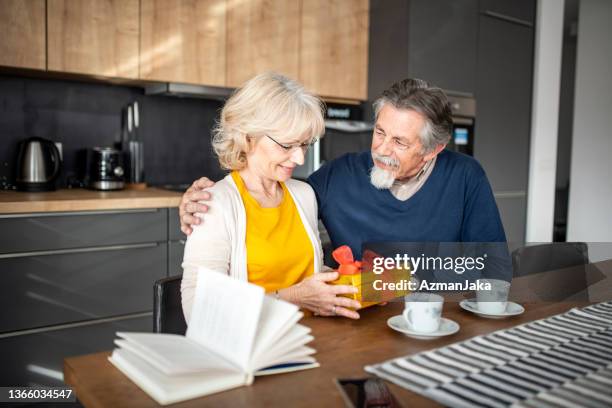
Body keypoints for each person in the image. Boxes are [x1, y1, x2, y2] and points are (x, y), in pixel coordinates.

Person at [180, 78, 511, 291]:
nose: (381, 149)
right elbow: (272, 204)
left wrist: (411, 284)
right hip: (358, 327)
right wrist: (197, 205)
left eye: (400, 142)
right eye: (379, 133)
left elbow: (494, 269)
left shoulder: (465, 176)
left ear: (432, 150)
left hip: (436, 325)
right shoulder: (333, 179)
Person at [180, 72, 361, 323]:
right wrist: (293, 297)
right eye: (287, 145)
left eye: (304, 144)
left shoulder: (303, 194)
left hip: (312, 339)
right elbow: (199, 310)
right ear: (248, 137)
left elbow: (307, 275)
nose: (299, 159)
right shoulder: (214, 204)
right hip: (251, 349)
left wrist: (354, 283)